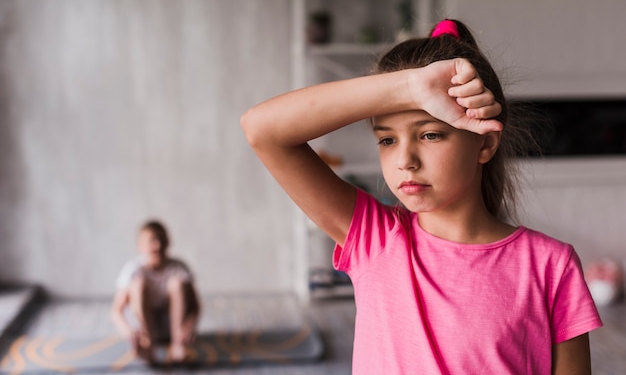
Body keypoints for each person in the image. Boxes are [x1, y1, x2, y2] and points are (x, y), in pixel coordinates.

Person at [240, 19, 602, 374]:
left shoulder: (551, 266)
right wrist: (410, 88)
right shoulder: (376, 240)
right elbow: (262, 129)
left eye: (429, 135)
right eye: (387, 140)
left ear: (485, 143)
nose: (405, 161)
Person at [111, 220, 200, 363]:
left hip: (170, 328)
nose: (157, 245)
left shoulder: (179, 267)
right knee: (138, 284)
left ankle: (178, 345)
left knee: (177, 283)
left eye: (161, 239)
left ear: (168, 242)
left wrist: (188, 327)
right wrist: (128, 333)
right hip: (144, 329)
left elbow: (196, 306)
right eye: (151, 241)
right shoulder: (133, 270)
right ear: (140, 246)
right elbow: (116, 311)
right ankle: (147, 345)